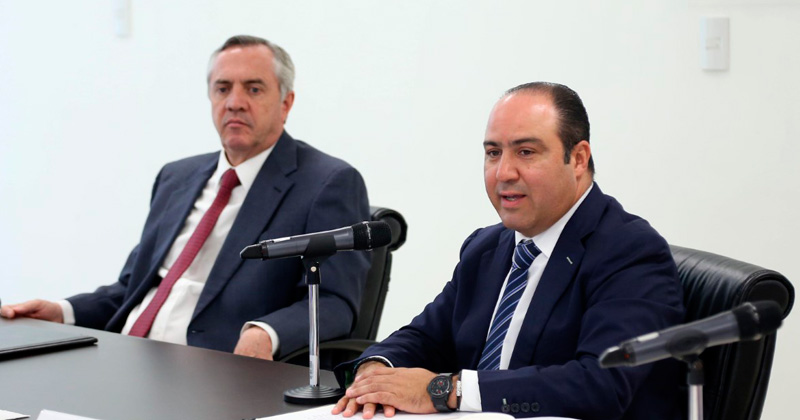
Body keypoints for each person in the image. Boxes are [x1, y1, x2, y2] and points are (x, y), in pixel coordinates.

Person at [0, 35, 371, 361]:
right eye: (222, 89)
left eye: (254, 89)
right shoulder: (176, 177)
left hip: (214, 370)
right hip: (121, 358)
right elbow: (132, 289)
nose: (235, 102)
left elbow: (335, 303)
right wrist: (62, 311)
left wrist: (266, 333)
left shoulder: (327, 183)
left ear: (286, 103)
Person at [332, 82, 685, 419]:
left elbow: (602, 384)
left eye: (526, 152)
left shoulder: (630, 251)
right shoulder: (486, 247)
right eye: (493, 153)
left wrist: (449, 390)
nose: (503, 172)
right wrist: (377, 369)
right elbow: (426, 337)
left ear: (578, 158)